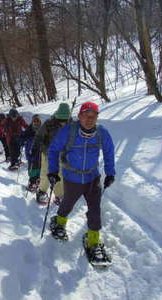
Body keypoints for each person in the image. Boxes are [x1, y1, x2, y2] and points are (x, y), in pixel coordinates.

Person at [47, 101, 115, 263]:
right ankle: (59, 222)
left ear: (97, 117)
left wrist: (110, 173)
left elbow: (109, 152)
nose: (89, 119)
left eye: (93, 116)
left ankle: (93, 240)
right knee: (68, 204)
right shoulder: (68, 131)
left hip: (93, 178)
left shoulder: (101, 133)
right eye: (86, 115)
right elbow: (53, 149)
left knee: (95, 210)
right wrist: (52, 171)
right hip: (72, 178)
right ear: (79, 116)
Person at [31, 103, 71, 205]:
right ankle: (42, 191)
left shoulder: (71, 124)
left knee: (60, 175)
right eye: (61, 119)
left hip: (62, 154)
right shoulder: (49, 123)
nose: (62, 121)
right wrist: (35, 148)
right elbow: (39, 136)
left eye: (64, 120)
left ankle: (59, 195)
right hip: (48, 153)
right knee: (46, 172)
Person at [21, 114, 42, 192]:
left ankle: (37, 180)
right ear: (32, 122)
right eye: (35, 121)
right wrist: (22, 140)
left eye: (38, 121)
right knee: (32, 168)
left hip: (40, 152)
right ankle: (32, 182)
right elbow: (23, 137)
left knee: (39, 167)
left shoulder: (43, 129)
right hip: (30, 151)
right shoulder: (29, 129)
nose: (36, 122)